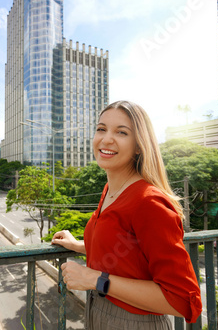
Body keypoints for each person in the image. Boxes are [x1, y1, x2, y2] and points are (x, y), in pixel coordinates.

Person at [52, 101, 202, 329]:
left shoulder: (148, 202)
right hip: (98, 314)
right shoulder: (110, 190)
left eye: (121, 132)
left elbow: (182, 300)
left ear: (139, 146)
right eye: (101, 129)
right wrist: (79, 245)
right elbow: (127, 250)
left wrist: (95, 279)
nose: (106, 139)